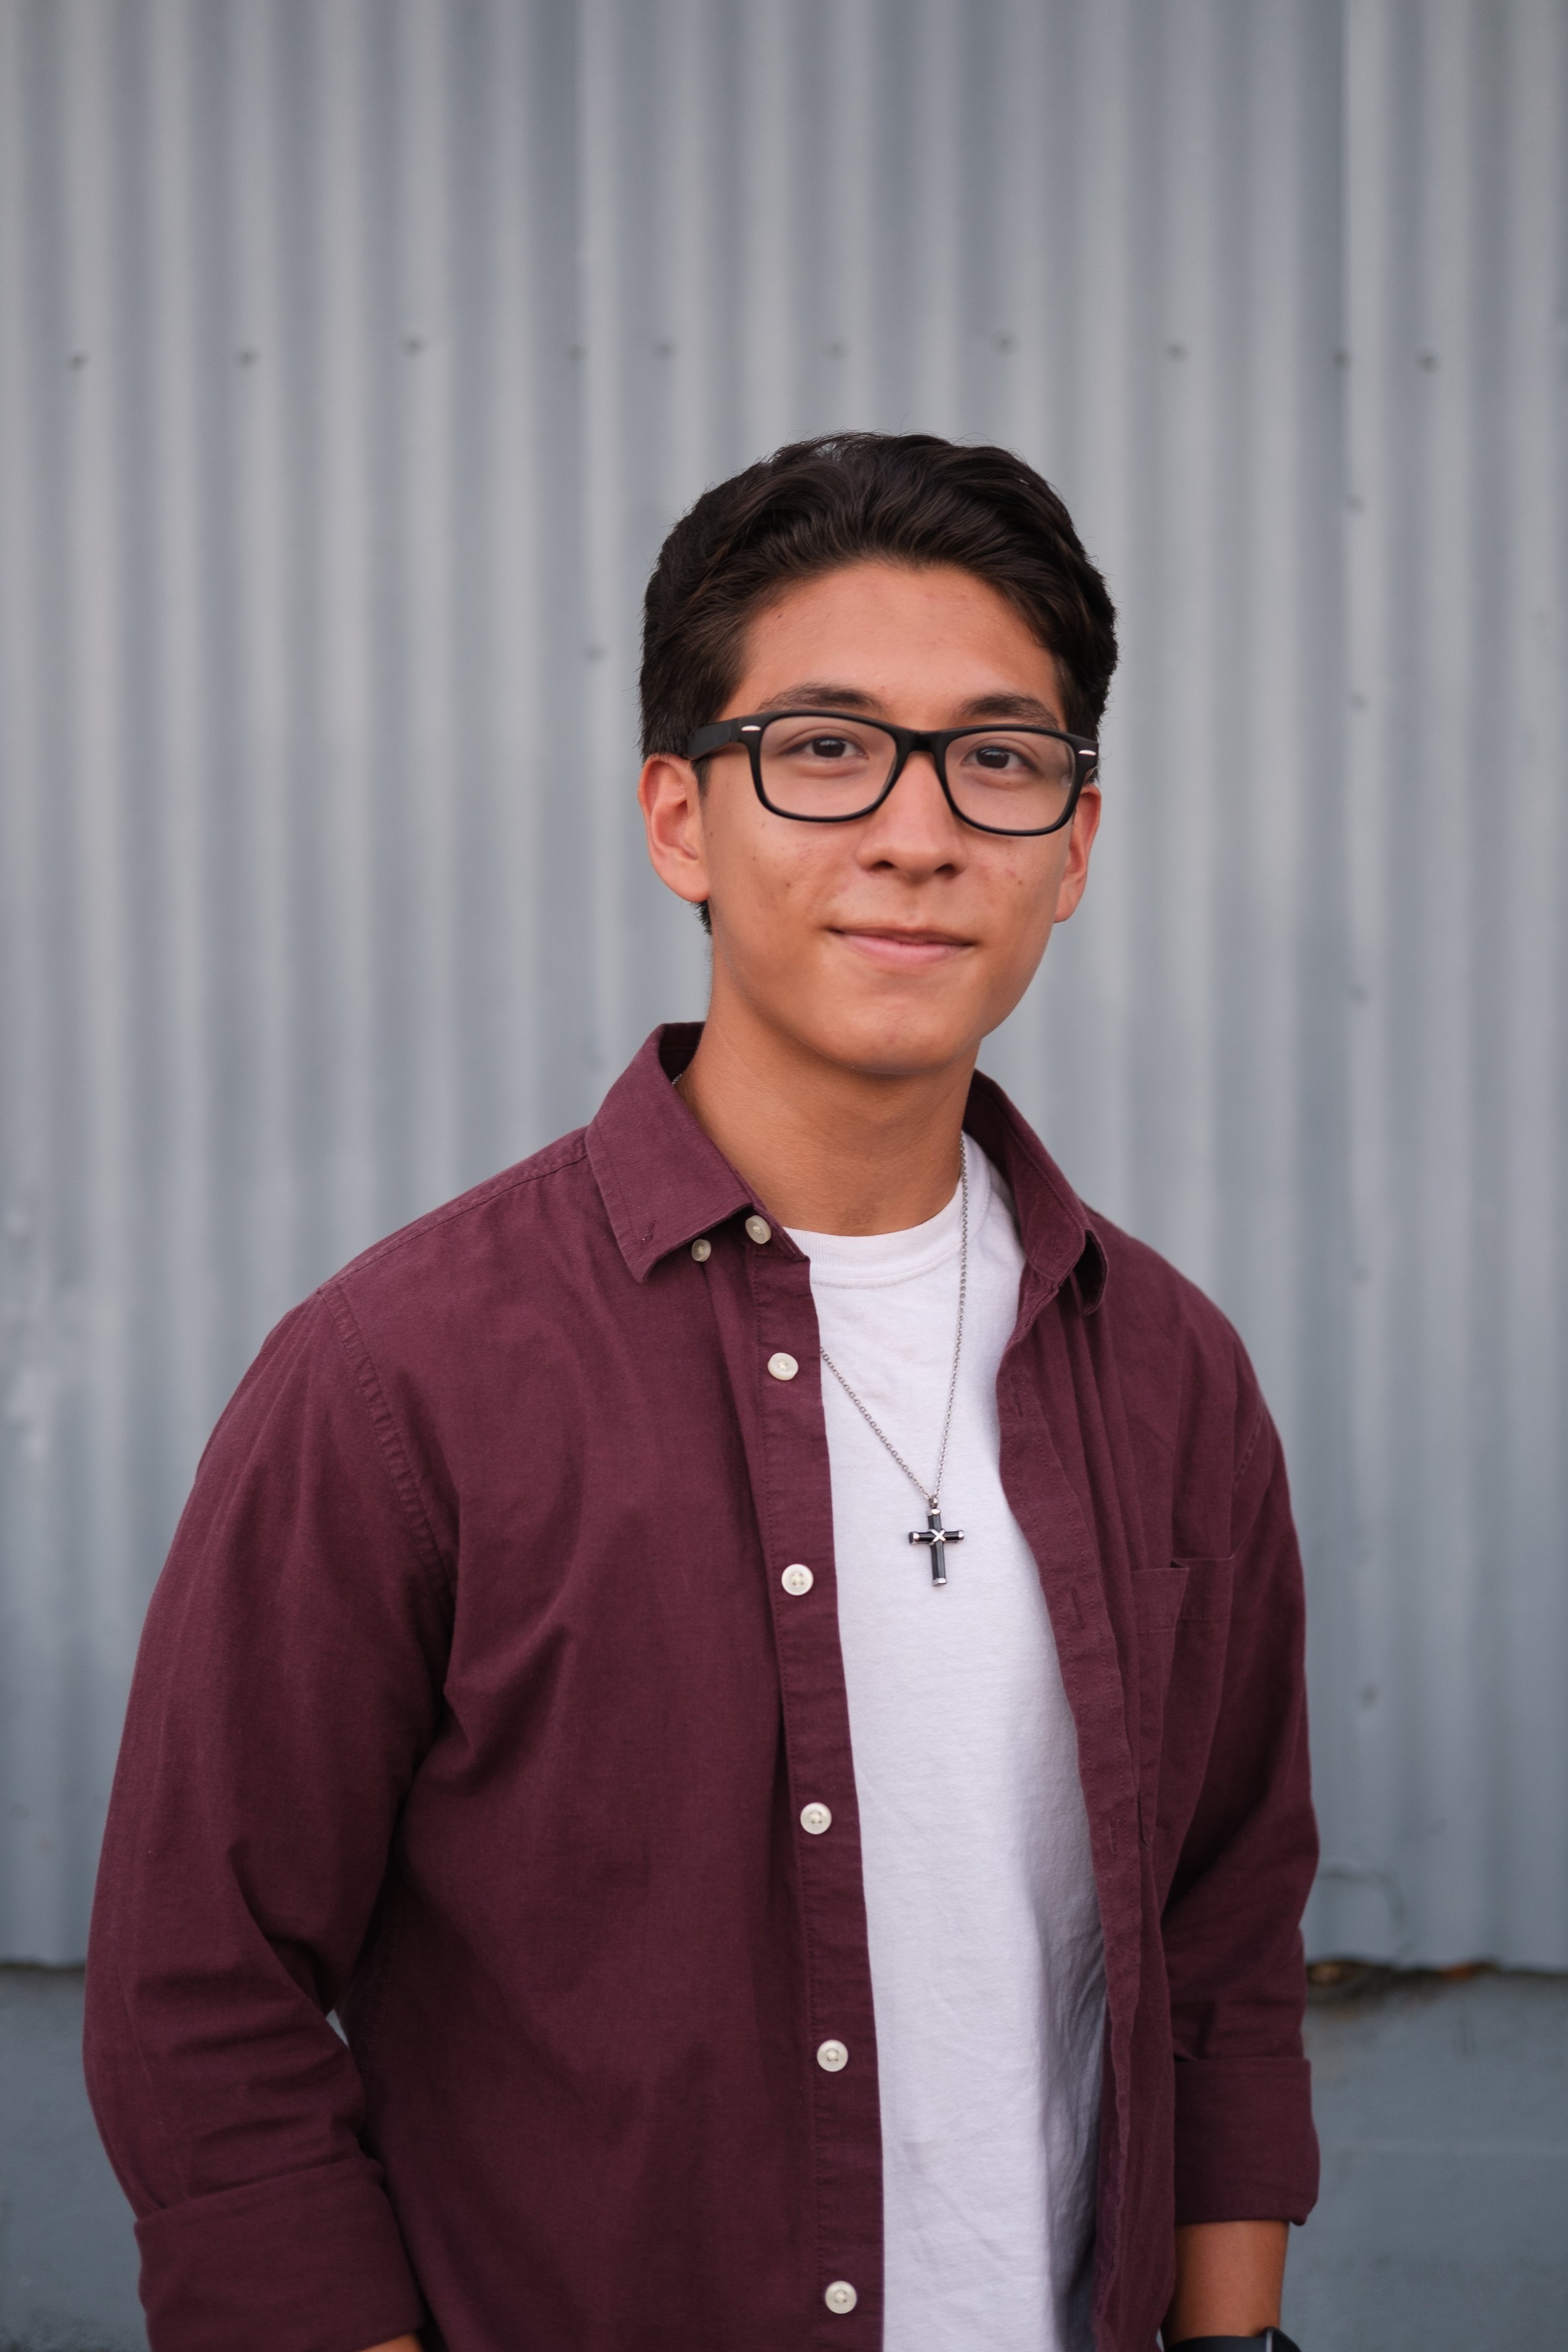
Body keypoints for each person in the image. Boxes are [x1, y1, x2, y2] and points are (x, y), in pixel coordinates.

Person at [85, 432, 1318, 2352]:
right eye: (824, 749)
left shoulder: (1164, 1368)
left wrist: (1233, 2340)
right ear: (680, 819)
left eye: (996, 760)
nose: (917, 833)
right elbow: (200, 1989)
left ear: (1071, 845)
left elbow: (1224, 1929)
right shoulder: (404, 1375)